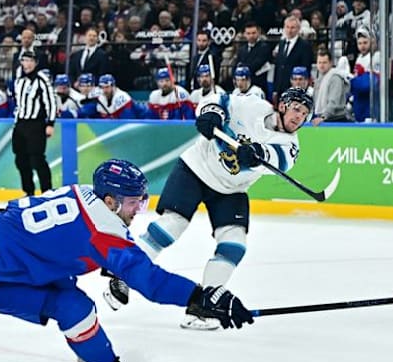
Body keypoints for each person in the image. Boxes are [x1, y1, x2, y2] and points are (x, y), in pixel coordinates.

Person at [0, 159, 254, 362]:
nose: (138, 210)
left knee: (73, 300)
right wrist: (201, 298)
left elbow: (15, 216)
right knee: (74, 308)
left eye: (142, 201)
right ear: (110, 201)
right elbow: (151, 282)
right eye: (133, 203)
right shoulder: (103, 232)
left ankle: (90, 352)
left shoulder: (82, 192)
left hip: (16, 257)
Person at [102, 88, 313, 330]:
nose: (299, 117)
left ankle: (203, 306)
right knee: (172, 225)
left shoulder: (290, 145)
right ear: (283, 106)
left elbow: (278, 160)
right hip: (195, 168)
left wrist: (258, 153)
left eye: (304, 114)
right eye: (296, 109)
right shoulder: (252, 105)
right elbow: (217, 100)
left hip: (230, 189)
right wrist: (212, 113)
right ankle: (123, 271)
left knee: (235, 243)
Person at [13, 51, 58, 196]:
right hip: (21, 123)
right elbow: (18, 102)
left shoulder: (41, 79)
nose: (27, 64)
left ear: (35, 63)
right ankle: (28, 191)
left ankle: (47, 192)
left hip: (36, 124)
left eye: (30, 61)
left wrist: (50, 123)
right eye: (24, 60)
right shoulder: (19, 80)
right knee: (20, 160)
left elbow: (51, 102)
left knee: (37, 159)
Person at [312, 49, 351, 125]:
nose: (321, 65)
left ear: (330, 63)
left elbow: (334, 102)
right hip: (322, 118)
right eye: (319, 62)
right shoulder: (319, 80)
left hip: (336, 120)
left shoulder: (335, 78)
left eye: (324, 62)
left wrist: (323, 117)